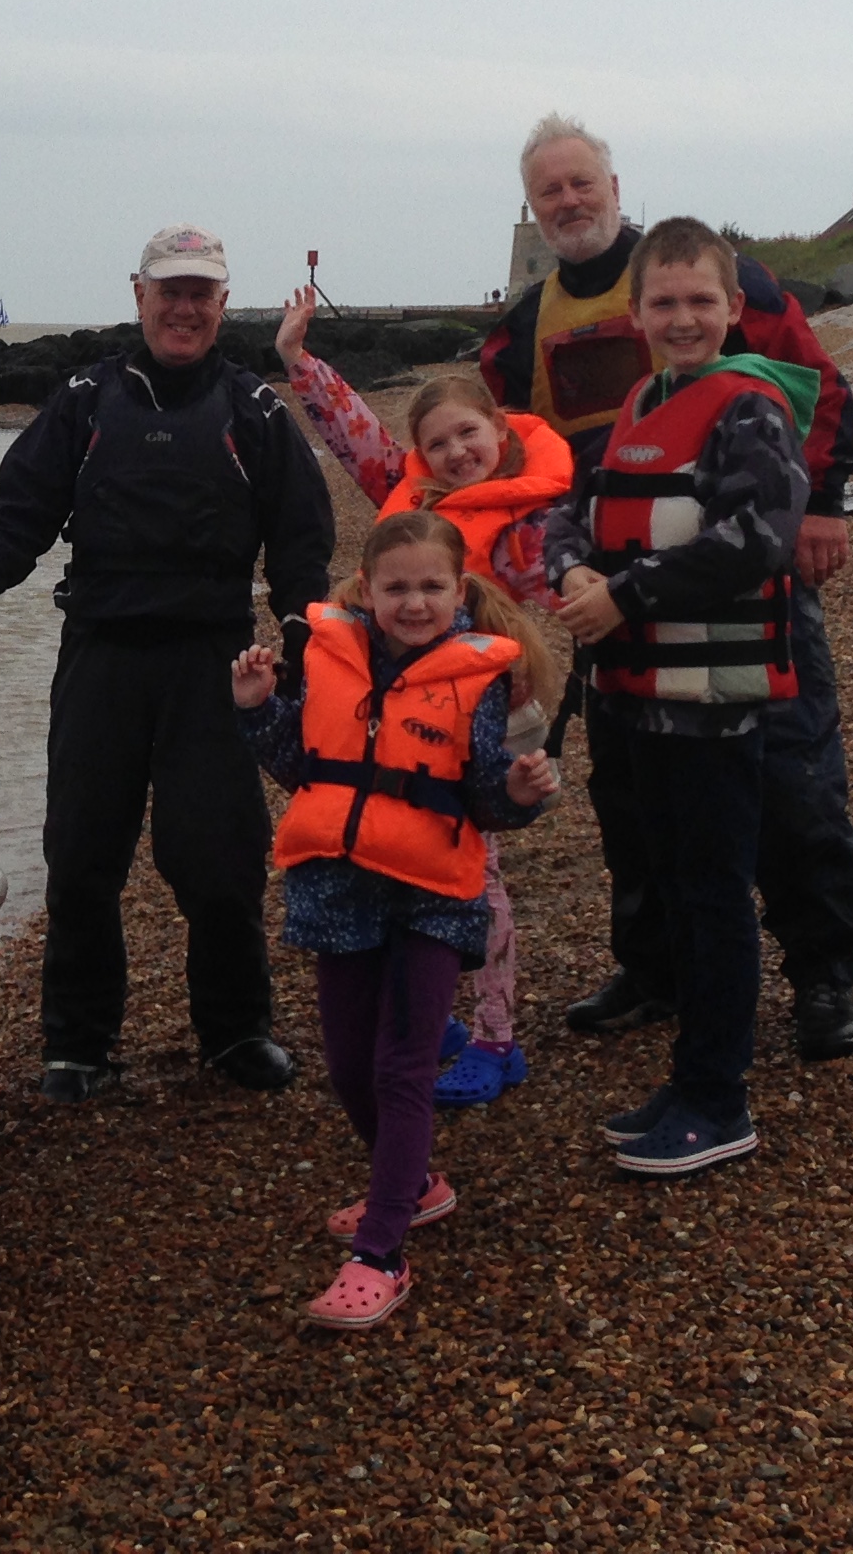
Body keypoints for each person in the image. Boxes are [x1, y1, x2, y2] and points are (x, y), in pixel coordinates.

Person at [481, 114, 853, 1060]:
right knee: (633, 786)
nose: (569, 203)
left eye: (583, 184)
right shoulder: (518, 334)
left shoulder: (710, 277)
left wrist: (821, 503)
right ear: (532, 208)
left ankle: (824, 968)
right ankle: (653, 965)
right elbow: (516, 463)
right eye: (550, 192)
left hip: (740, 569)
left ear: (616, 188)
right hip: (610, 590)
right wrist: (551, 563)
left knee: (789, 769)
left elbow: (820, 384)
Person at [0, 225, 336, 1104]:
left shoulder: (253, 411)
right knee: (80, 859)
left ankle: (235, 1031)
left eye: (202, 293)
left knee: (218, 861)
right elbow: (21, 512)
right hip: (102, 654)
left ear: (223, 307)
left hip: (214, 662)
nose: (184, 307)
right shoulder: (83, 401)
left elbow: (302, 538)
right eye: (169, 290)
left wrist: (304, 630)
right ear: (138, 295)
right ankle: (78, 1043)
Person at [232, 510, 562, 1325]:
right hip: (339, 888)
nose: (414, 603)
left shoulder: (479, 678)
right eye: (397, 588)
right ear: (367, 590)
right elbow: (302, 767)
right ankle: (413, 1185)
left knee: (402, 1068)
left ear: (459, 593)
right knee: (346, 1064)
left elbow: (484, 792)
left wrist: (517, 797)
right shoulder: (330, 659)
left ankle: (381, 1251)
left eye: (431, 588)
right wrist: (258, 706)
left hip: (432, 895)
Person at [542, 219, 814, 1177]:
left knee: (713, 899)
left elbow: (760, 539)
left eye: (702, 301)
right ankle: (688, 1073)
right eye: (665, 302)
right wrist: (573, 573)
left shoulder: (749, 410)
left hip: (712, 706)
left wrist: (625, 595)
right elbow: (570, 512)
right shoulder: (638, 406)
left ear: (734, 310)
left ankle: (718, 1097)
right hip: (635, 700)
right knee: (673, 892)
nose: (683, 318)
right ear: (636, 312)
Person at [273, 293, 570, 1105]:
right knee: (413, 867)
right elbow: (355, 434)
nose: (456, 451)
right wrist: (301, 361)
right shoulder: (416, 501)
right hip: (413, 718)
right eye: (437, 443)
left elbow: (576, 580)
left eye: (469, 434)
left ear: (500, 434)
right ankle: (442, 1012)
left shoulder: (532, 519)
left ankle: (497, 1036)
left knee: (480, 877)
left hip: (495, 714)